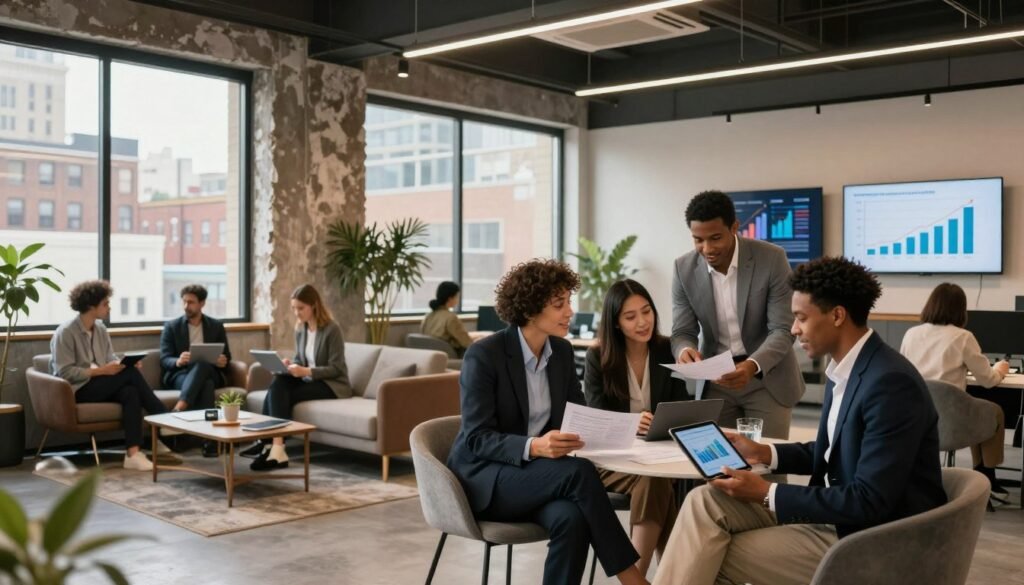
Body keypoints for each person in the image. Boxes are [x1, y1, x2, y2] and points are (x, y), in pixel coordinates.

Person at [652, 256, 947, 585]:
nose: (793, 329)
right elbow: (835, 450)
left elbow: (869, 501)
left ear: (837, 315)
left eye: (801, 318)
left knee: (708, 550)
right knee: (703, 501)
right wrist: (765, 453)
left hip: (868, 537)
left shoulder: (890, 383)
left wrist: (766, 492)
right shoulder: (849, 369)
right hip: (832, 514)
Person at [447, 259, 647, 585]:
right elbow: (477, 437)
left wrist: (623, 425)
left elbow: (577, 416)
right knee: (578, 473)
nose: (570, 311)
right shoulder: (485, 355)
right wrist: (534, 446)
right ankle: (632, 578)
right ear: (529, 310)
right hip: (486, 480)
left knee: (572, 518)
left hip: (535, 478)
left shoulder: (562, 353)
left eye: (568, 301)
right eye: (559, 304)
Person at [671, 190, 803, 439]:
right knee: (719, 465)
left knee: (768, 463)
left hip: (767, 376)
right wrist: (683, 350)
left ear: (734, 227)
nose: (707, 248)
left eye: (715, 238)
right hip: (716, 382)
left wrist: (751, 366)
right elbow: (682, 332)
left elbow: (782, 329)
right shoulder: (683, 268)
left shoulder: (772, 258)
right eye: (698, 239)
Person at [584, 279, 689, 577]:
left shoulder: (667, 350)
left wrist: (662, 419)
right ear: (615, 323)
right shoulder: (598, 357)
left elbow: (680, 404)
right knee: (658, 483)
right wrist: (630, 424)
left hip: (655, 455)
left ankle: (656, 579)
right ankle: (661, 578)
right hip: (611, 458)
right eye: (630, 317)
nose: (642, 322)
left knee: (654, 481)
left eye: (647, 312)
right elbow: (595, 418)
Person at [900, 282, 1009, 495]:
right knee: (993, 411)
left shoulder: (911, 334)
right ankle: (987, 472)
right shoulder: (962, 337)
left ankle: (984, 473)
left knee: (979, 409)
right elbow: (987, 380)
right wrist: (1001, 369)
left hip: (915, 419)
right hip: (952, 422)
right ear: (961, 309)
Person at [50, 280, 169, 471]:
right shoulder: (65, 332)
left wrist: (122, 364)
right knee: (130, 376)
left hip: (102, 384)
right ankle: (164, 418)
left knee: (130, 391)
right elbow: (64, 372)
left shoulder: (101, 329)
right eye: (105, 304)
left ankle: (132, 454)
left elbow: (109, 358)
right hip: (79, 389)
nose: (109, 307)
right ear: (91, 306)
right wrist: (101, 371)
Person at [250, 284, 352, 471]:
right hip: (309, 379)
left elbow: (337, 368)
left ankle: (272, 446)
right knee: (279, 383)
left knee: (279, 391)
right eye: (294, 308)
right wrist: (289, 364)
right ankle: (272, 446)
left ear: (314, 305)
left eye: (300, 308)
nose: (297, 313)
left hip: (331, 385)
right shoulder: (301, 329)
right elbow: (302, 359)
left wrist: (306, 372)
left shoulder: (332, 330)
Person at [160, 284, 232, 458]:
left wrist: (223, 361)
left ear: (202, 303)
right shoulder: (172, 326)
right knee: (205, 384)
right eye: (184, 302)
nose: (186, 306)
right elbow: (164, 359)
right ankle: (209, 440)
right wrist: (178, 360)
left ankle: (179, 410)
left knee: (203, 365)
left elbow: (227, 357)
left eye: (191, 302)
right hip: (181, 374)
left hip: (210, 370)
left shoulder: (216, 326)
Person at [421, 280, 474, 357]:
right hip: (450, 356)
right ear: (450, 298)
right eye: (457, 296)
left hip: (430, 356)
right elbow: (467, 343)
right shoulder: (450, 318)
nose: (458, 300)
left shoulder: (428, 316)